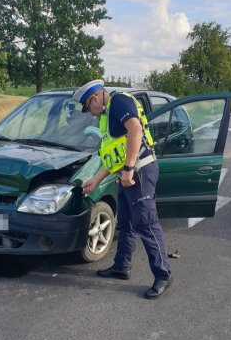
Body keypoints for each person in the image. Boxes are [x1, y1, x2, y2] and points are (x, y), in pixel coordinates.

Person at [73, 80, 172, 299]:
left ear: (95, 98)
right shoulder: (108, 115)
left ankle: (163, 275)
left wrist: (128, 168)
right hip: (127, 174)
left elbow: (135, 129)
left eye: (89, 107)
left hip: (139, 172)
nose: (91, 113)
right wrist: (96, 180)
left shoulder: (118, 102)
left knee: (146, 223)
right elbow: (113, 155)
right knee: (125, 223)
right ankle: (121, 267)